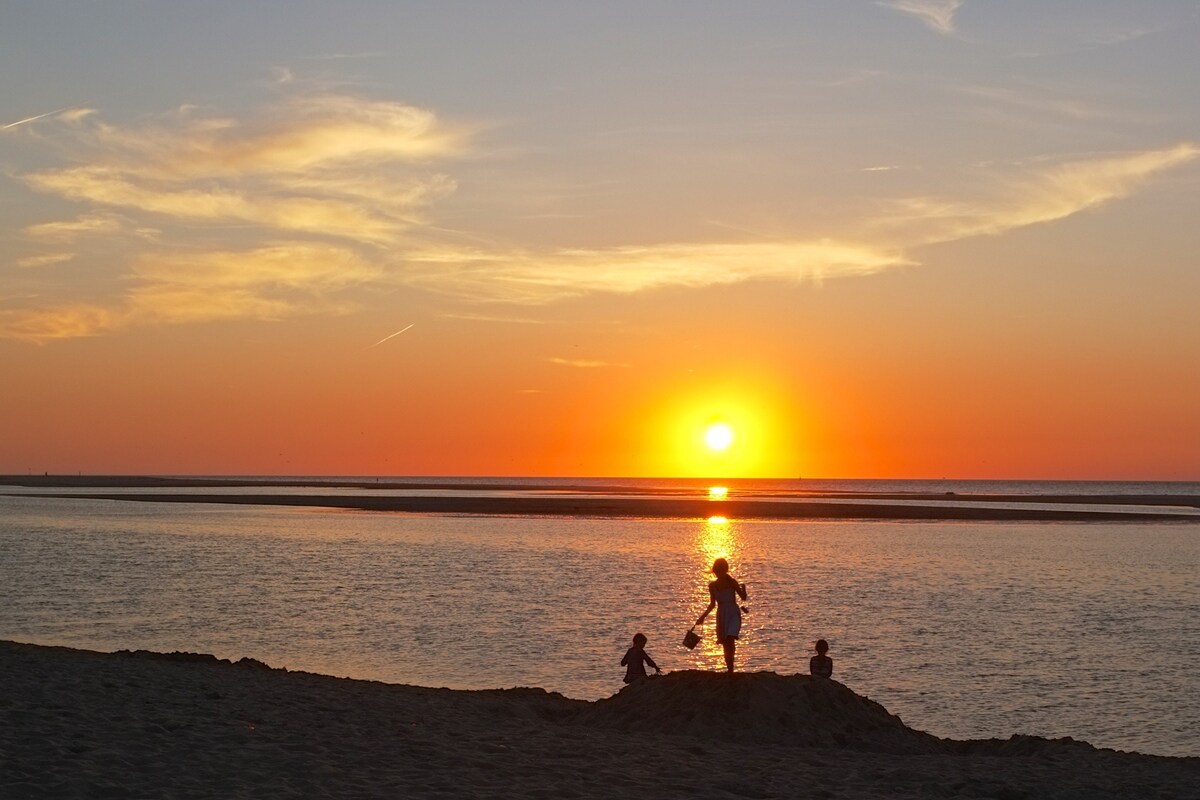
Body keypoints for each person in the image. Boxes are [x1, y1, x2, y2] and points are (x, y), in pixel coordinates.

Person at [694, 557, 748, 672]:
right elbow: (712, 605)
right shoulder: (712, 586)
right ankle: (730, 669)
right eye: (717, 571)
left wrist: (744, 589)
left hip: (733, 613)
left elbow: (743, 598)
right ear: (715, 571)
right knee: (725, 642)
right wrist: (702, 617)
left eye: (721, 570)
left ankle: (731, 668)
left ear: (726, 570)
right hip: (722, 615)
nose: (719, 574)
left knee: (730, 638)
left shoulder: (732, 582)